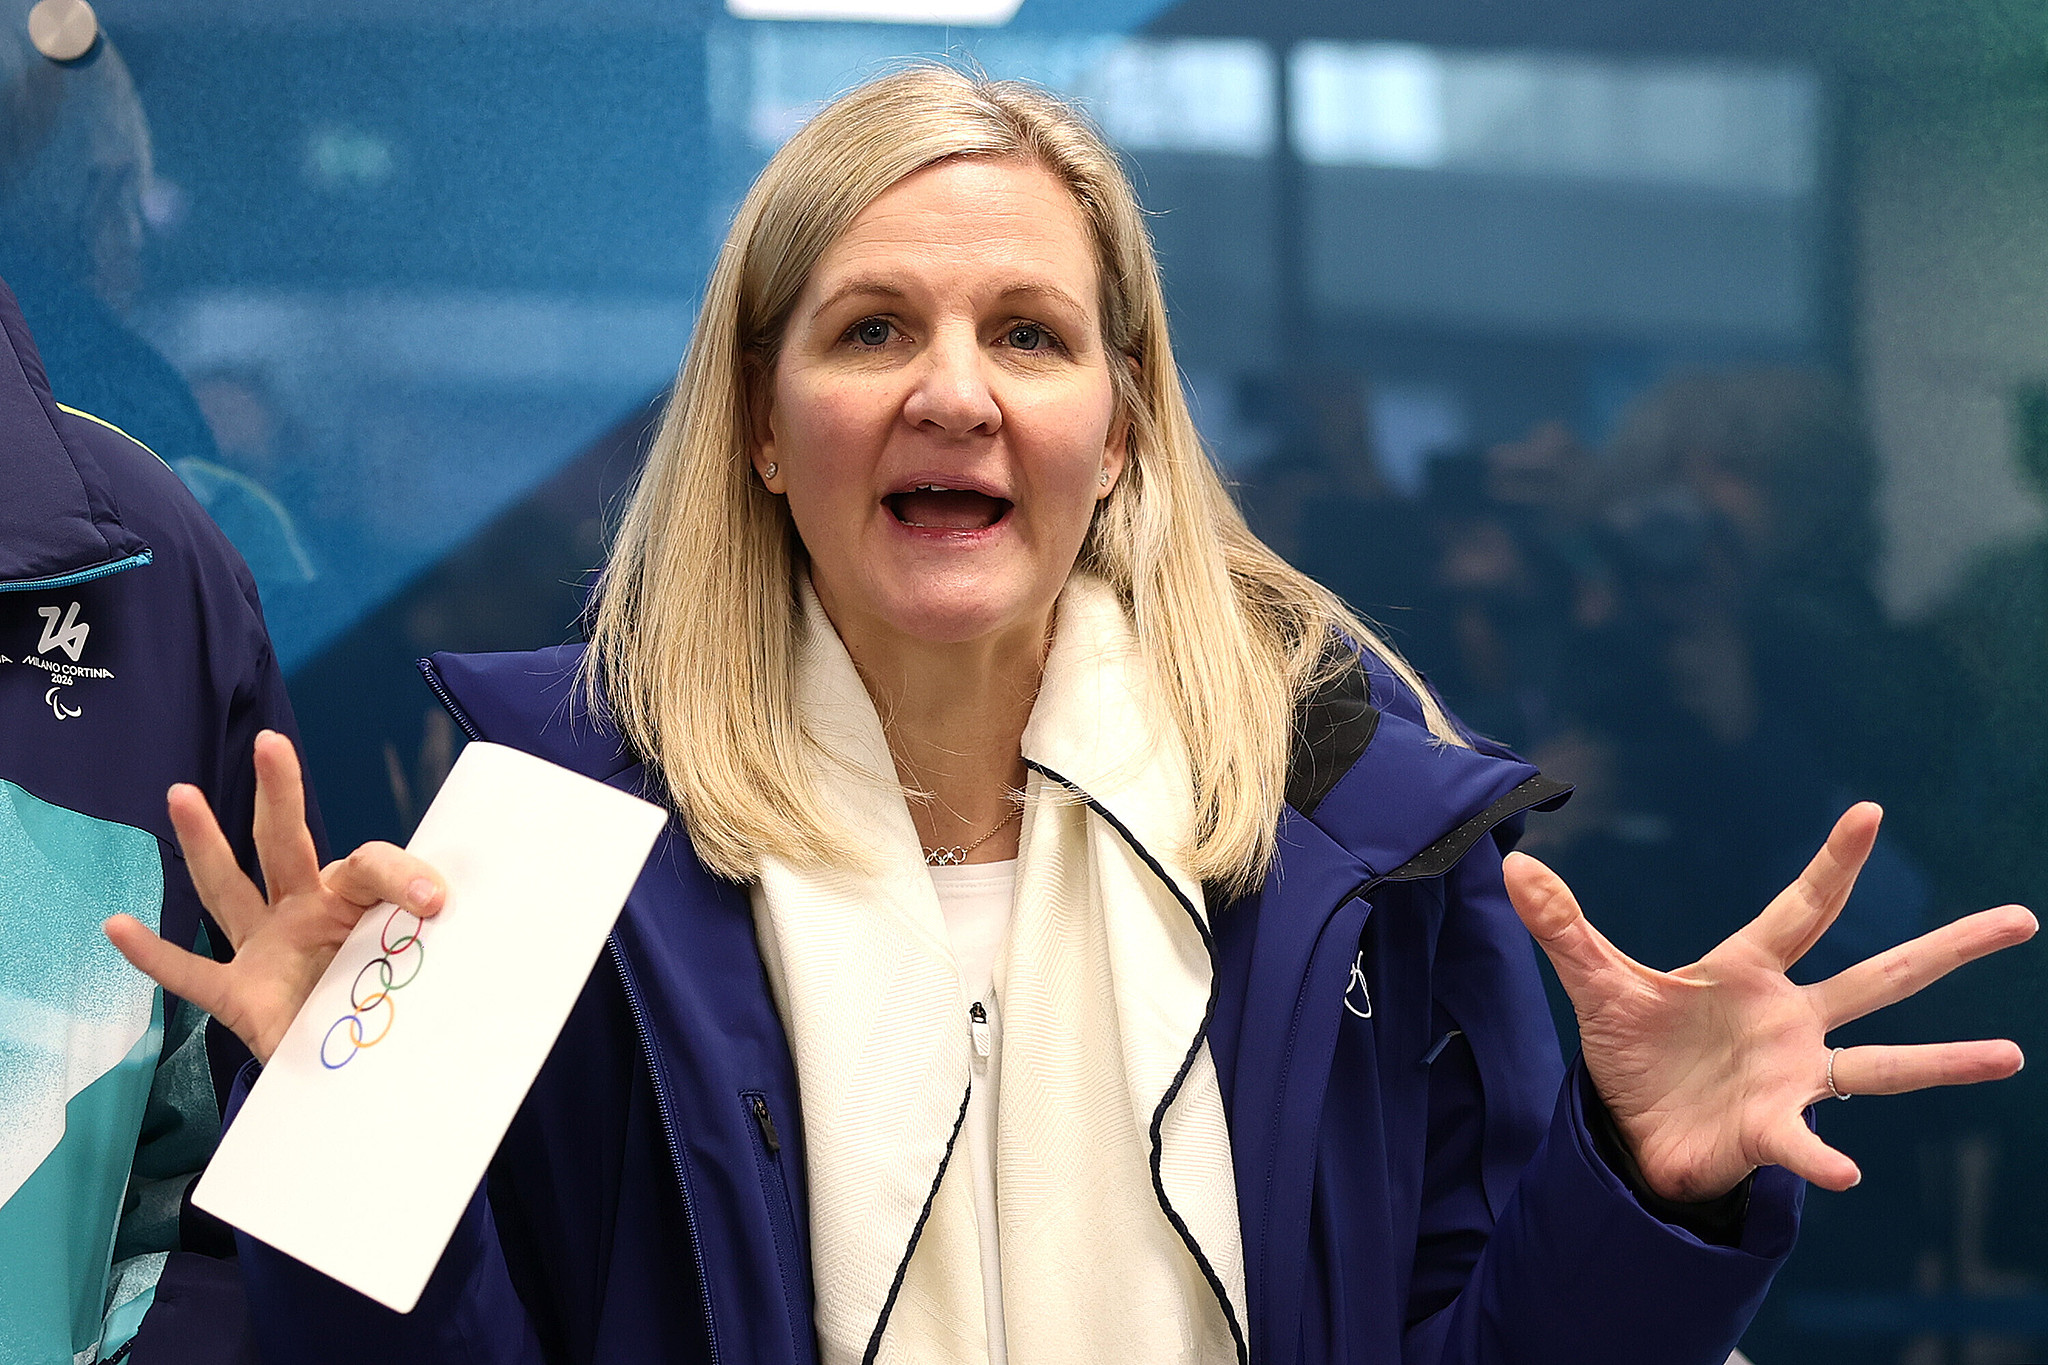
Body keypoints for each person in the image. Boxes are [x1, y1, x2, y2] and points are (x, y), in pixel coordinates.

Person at [107, 67, 2034, 1365]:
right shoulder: (534, 848)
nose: (957, 389)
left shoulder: (1352, 837)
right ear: (766, 431)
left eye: (1029, 332)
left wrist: (1638, 1190)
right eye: (872, 329)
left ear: (1119, 427)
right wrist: (335, 1153)